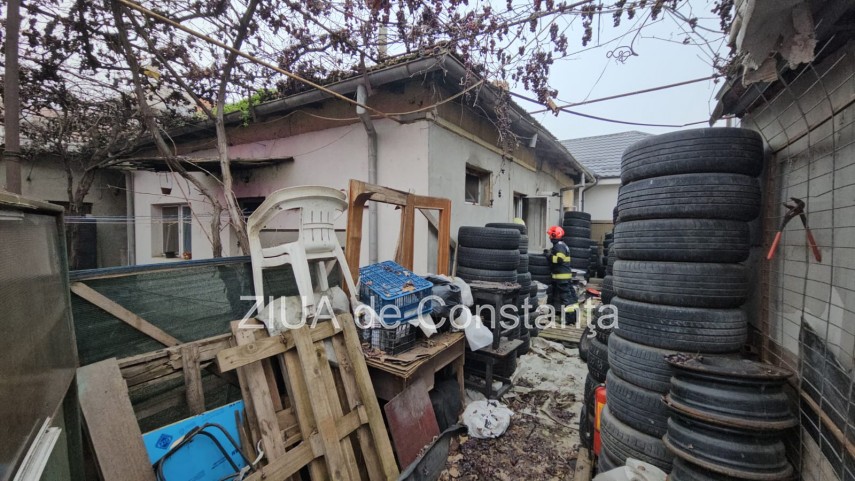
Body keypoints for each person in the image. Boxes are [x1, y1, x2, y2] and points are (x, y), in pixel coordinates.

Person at [547, 225, 579, 320]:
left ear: (554, 235)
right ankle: (574, 315)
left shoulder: (559, 246)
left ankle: (569, 319)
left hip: (561, 277)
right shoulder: (562, 245)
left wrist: (549, 256)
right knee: (571, 296)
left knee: (566, 297)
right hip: (564, 276)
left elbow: (560, 259)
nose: (549, 237)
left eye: (551, 235)